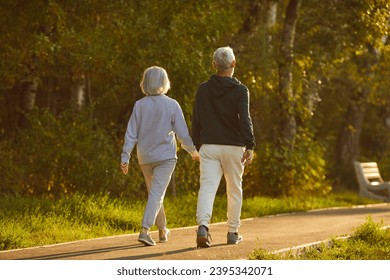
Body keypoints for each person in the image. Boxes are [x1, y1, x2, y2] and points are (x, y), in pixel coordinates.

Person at [121, 66, 200, 246]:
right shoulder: (172, 104)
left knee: (155, 193)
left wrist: (125, 157)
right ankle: (144, 230)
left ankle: (163, 231)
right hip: (165, 157)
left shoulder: (140, 105)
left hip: (145, 157)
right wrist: (193, 151)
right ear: (164, 82)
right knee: (156, 194)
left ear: (145, 83)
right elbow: (182, 134)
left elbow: (131, 133)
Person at [192, 46, 256, 247]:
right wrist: (250, 145)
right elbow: (245, 119)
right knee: (234, 190)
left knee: (207, 188)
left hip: (209, 146)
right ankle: (232, 232)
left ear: (214, 65)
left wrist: (196, 145)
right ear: (234, 64)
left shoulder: (203, 89)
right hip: (233, 147)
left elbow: (196, 119)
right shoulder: (240, 90)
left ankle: (203, 227)